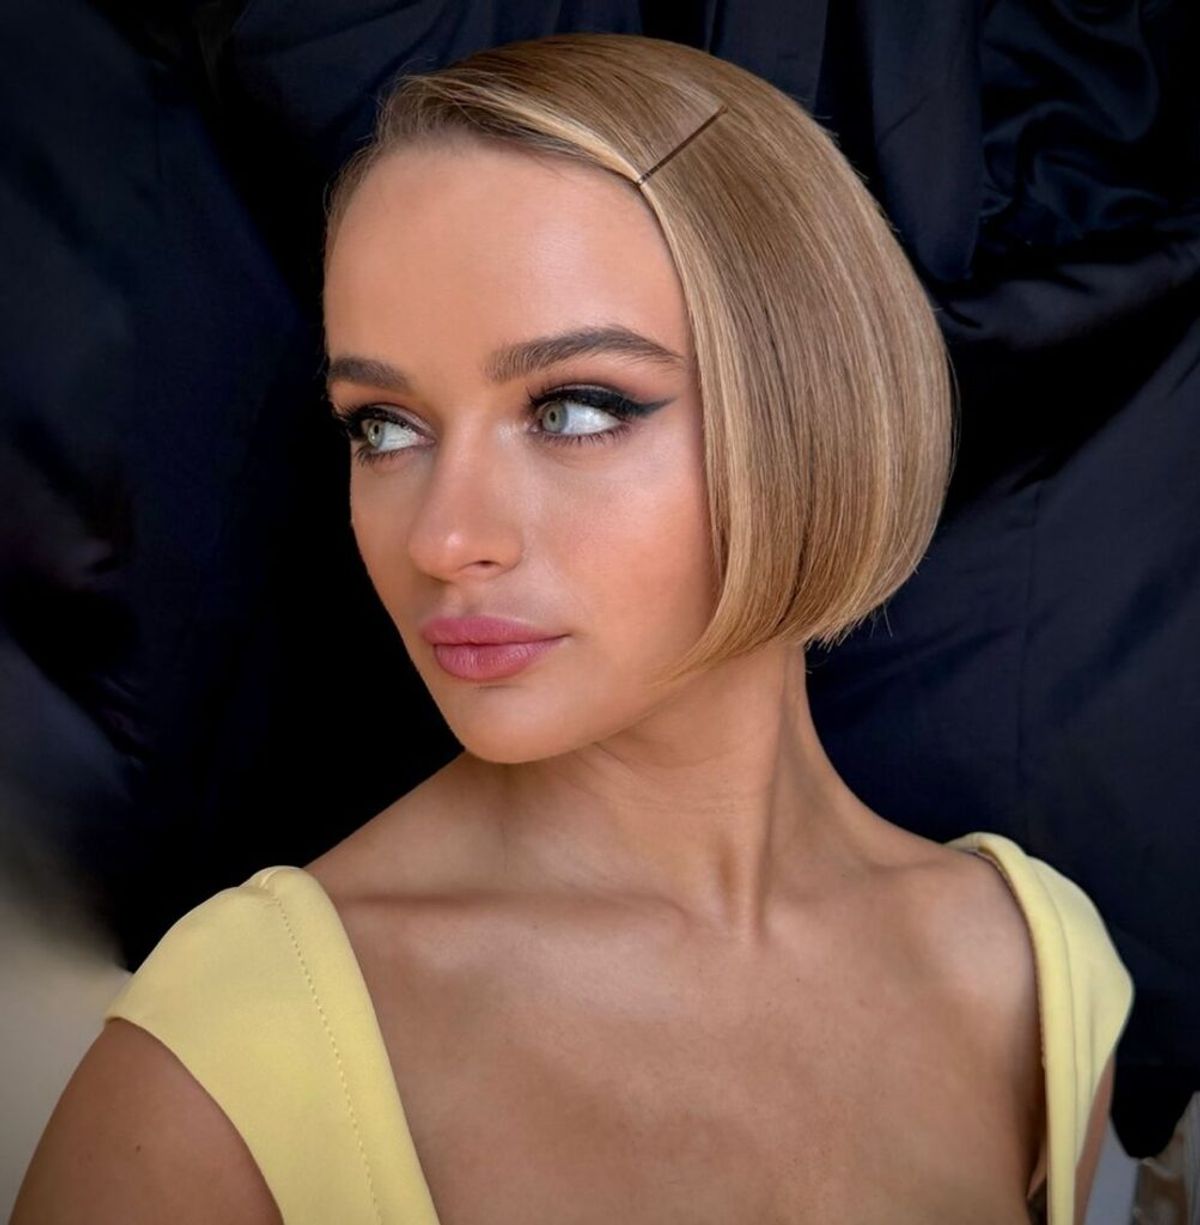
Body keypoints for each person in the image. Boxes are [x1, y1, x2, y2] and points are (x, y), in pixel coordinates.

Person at [11, 31, 1133, 1225]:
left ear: (816, 402)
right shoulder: (229, 1057)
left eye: (575, 405)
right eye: (383, 425)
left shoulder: (1031, 972)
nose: (446, 538)